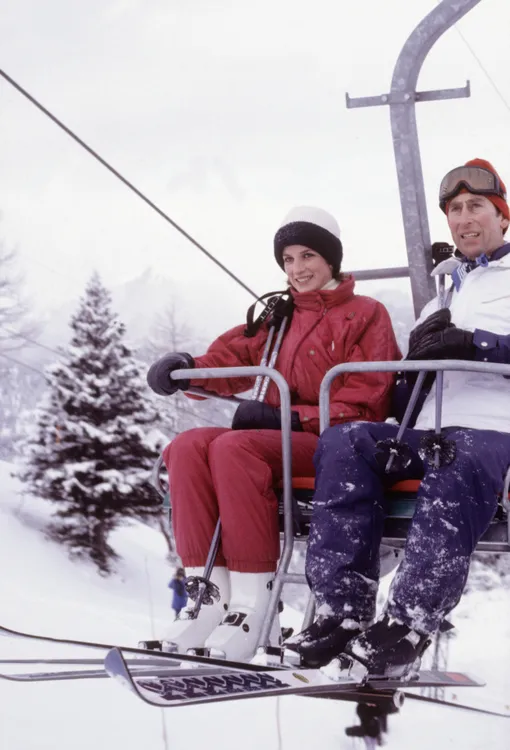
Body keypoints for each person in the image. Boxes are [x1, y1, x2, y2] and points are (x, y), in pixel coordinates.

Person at [286, 159, 510, 677]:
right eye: (455, 209)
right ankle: (342, 611)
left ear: (501, 216)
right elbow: (412, 382)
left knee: (458, 454)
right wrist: (416, 366)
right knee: (346, 442)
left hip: (493, 428)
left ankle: (411, 620)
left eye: (476, 206)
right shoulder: (446, 288)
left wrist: (474, 345)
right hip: (430, 426)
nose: (464, 217)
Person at [146, 206, 400, 661]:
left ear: (331, 259)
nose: (298, 269)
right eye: (288, 260)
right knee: (185, 447)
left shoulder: (366, 315)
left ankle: (253, 605)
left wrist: (292, 419)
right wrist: (187, 372)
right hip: (279, 437)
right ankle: (207, 600)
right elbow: (229, 361)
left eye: (308, 256)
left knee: (233, 448)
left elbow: (368, 400)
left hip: (331, 443)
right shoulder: (278, 317)